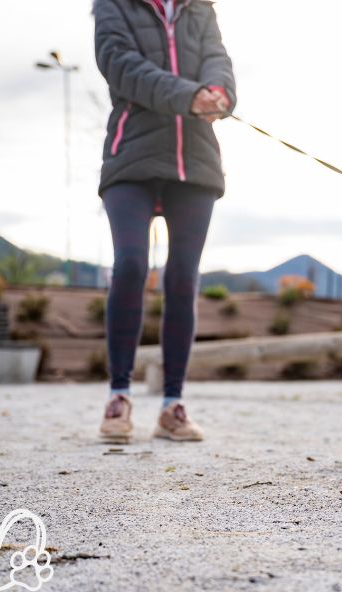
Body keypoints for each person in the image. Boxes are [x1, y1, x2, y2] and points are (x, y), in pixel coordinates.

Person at [93, 0, 236, 443]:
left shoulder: (200, 9)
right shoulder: (113, 5)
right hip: (131, 158)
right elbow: (119, 64)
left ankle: (172, 405)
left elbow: (218, 59)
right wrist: (187, 96)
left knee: (182, 277)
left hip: (195, 163)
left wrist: (219, 93)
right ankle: (119, 394)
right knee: (132, 264)